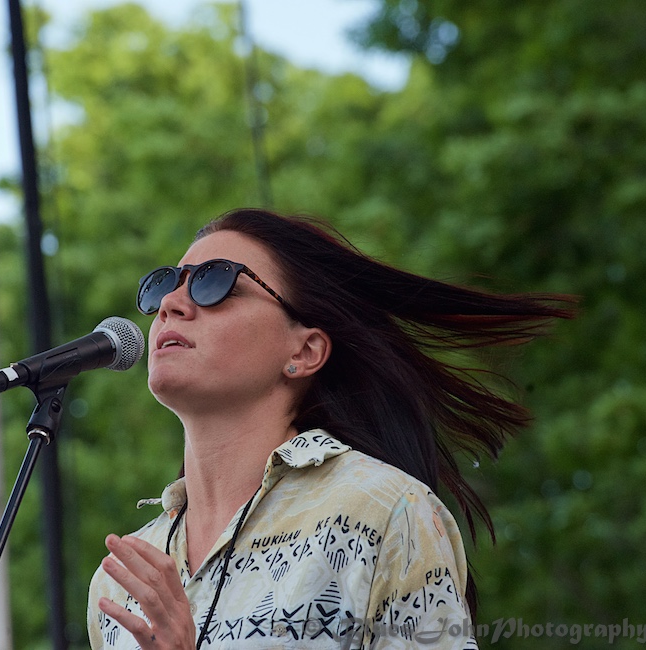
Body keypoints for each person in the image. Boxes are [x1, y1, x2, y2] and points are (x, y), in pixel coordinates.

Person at [87, 208, 575, 649]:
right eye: (165, 284)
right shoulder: (119, 579)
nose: (172, 303)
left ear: (304, 352)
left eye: (216, 284)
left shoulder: (384, 512)